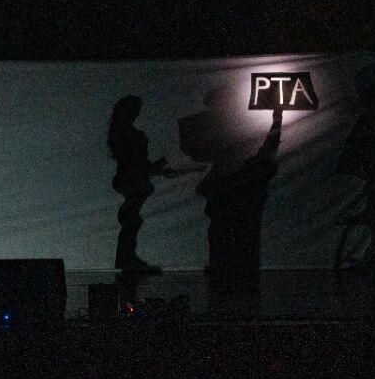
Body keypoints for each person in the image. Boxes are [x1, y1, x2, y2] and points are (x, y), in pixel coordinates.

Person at [107, 95, 202, 271]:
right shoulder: (129, 134)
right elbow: (138, 165)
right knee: (131, 220)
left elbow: (138, 165)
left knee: (131, 219)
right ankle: (126, 259)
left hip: (130, 180)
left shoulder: (121, 133)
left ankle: (126, 258)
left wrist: (161, 168)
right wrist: (165, 163)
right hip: (132, 181)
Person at [197, 108, 282, 274]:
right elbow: (270, 146)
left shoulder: (248, 172)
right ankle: (233, 271)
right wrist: (277, 120)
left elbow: (270, 146)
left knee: (233, 240)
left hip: (233, 213)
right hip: (232, 214)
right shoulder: (248, 170)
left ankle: (229, 271)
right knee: (236, 240)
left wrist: (277, 121)